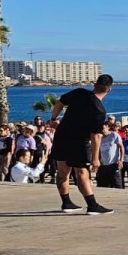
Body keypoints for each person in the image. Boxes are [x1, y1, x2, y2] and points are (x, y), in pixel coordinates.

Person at [47, 74, 116, 214]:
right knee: (82, 172)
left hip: (62, 135)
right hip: (79, 140)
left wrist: (53, 118)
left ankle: (66, 203)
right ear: (109, 89)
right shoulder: (99, 110)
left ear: (95, 84)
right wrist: (96, 159)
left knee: (62, 171)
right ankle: (92, 206)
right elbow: (95, 135)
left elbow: (59, 103)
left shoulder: (79, 93)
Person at [95, 121, 124, 189]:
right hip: (103, 165)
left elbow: (121, 147)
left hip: (113, 164)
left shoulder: (114, 135)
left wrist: (121, 160)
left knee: (117, 184)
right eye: (100, 129)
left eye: (103, 128)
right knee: (103, 185)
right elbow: (98, 151)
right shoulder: (100, 138)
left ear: (107, 127)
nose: (102, 131)